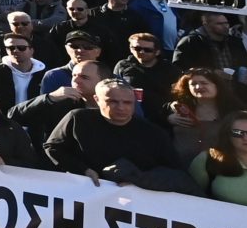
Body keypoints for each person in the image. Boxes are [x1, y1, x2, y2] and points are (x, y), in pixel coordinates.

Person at [43, 78, 191, 192]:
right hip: (82, 195)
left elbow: (177, 173)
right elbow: (53, 147)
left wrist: (141, 181)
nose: (121, 108)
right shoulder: (78, 118)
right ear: (97, 100)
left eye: (127, 103)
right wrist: (82, 170)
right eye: (112, 102)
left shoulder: (153, 133)